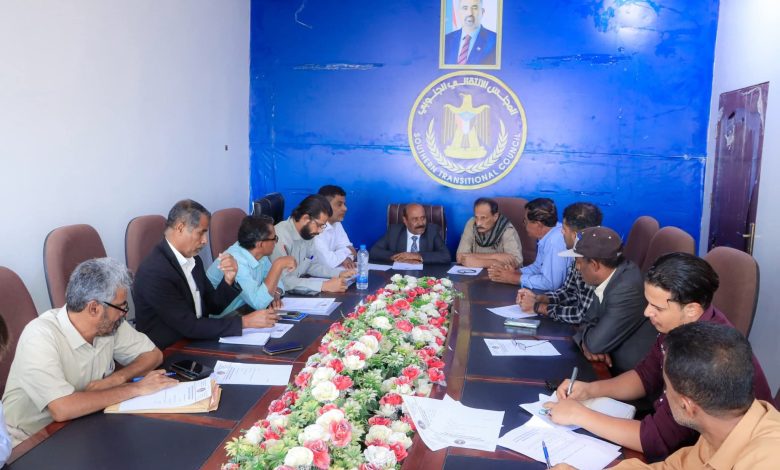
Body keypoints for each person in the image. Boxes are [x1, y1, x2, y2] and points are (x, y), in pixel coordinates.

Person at [543, 253, 773, 461]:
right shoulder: (679, 326)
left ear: (691, 309)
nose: (647, 312)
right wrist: (591, 390)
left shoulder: (703, 353)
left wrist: (580, 415)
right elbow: (645, 376)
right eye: (648, 303)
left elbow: (655, 439)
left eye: (657, 307)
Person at [553, 322, 780, 470]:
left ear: (687, 405)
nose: (663, 398)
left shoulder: (768, 459)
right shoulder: (722, 425)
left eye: (666, 389)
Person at [2, 258, 177, 444]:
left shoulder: (109, 325)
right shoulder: (40, 336)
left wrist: (116, 379)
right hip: (29, 440)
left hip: (83, 425)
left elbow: (153, 355)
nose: (124, 313)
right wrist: (136, 388)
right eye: (121, 306)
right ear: (94, 308)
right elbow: (62, 408)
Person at [135, 199, 278, 349]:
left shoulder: (194, 260)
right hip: (169, 349)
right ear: (180, 227)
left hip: (198, 339)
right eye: (201, 233)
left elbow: (212, 306)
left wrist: (228, 280)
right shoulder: (155, 272)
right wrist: (245, 322)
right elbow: (189, 326)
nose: (204, 241)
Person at [559, 226, 656, 374]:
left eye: (578, 262)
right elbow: (586, 321)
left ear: (594, 265)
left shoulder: (625, 289)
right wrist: (586, 343)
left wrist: (591, 344)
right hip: (608, 359)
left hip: (628, 373)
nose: (577, 268)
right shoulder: (611, 276)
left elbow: (595, 344)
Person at [516, 202, 602, 323]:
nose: (561, 232)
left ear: (575, 236)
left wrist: (537, 307)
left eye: (564, 229)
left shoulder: (593, 262)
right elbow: (569, 292)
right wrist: (538, 298)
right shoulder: (578, 252)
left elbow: (582, 315)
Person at [206, 215, 296, 315]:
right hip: (223, 318)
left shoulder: (258, 253)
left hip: (244, 310)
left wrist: (276, 292)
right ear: (260, 244)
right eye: (274, 238)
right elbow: (259, 303)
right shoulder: (236, 262)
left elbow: (275, 280)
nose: (276, 242)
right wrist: (278, 264)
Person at [270, 194, 355, 294]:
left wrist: (339, 273)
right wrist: (323, 285)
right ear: (305, 218)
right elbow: (283, 281)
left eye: (323, 226)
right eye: (319, 225)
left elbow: (310, 265)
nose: (320, 231)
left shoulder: (307, 233)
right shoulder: (280, 237)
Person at [488, 198, 568, 290]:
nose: (524, 225)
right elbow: (537, 267)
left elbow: (551, 283)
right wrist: (516, 272)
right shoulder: (548, 235)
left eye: (525, 221)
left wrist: (513, 278)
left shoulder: (555, 242)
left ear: (538, 224)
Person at [369, 203, 451, 264]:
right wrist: (402, 257)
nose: (421, 223)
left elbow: (446, 256)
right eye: (415, 219)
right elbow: (374, 251)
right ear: (405, 220)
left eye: (423, 218)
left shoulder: (432, 231)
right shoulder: (394, 231)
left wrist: (417, 256)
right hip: (399, 275)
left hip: (425, 276)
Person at [456, 197, 523, 268]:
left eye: (483, 218)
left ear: (495, 216)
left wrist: (479, 262)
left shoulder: (506, 228)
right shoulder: (472, 223)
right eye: (476, 217)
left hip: (499, 273)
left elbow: (517, 261)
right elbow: (460, 257)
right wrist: (496, 257)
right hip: (475, 272)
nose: (478, 223)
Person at [314, 185, 356, 270]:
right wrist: (345, 254)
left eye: (344, 204)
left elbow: (352, 251)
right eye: (339, 204)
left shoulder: (336, 223)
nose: (345, 208)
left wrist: (347, 258)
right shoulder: (313, 226)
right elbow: (328, 262)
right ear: (324, 206)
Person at [444, 0, 497, 66]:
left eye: (475, 8)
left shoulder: (495, 41)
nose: (469, 13)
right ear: (458, 12)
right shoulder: (446, 40)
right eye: (465, 8)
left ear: (482, 12)